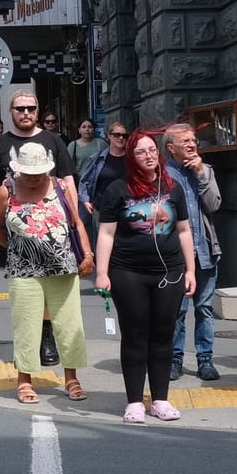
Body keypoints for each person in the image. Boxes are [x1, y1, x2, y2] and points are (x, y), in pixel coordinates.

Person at [94, 132, 196, 424]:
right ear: (131, 158)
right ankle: (135, 402)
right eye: (141, 152)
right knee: (135, 336)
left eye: (152, 150)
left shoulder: (173, 188)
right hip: (128, 272)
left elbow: (184, 230)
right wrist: (102, 273)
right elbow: (106, 233)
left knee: (163, 335)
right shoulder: (118, 190)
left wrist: (190, 270)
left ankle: (160, 400)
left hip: (169, 271)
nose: (149, 156)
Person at [0, 141, 91, 405]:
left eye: (39, 174)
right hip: (23, 270)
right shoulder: (6, 190)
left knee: (69, 324)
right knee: (27, 325)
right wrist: (21, 245)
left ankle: (71, 378)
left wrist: (88, 255)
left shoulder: (61, 187)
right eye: (29, 174)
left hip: (63, 268)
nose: (34, 179)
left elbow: (76, 224)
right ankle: (24, 380)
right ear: (19, 170)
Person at [0, 93, 76, 365]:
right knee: (24, 288)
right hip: (15, 231)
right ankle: (28, 343)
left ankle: (47, 338)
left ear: (37, 111)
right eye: (20, 108)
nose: (26, 112)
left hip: (53, 230)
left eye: (31, 108)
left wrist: (72, 218)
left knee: (52, 285)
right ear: (11, 111)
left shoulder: (53, 141)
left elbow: (68, 180)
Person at [163, 123, 222, 382]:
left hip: (205, 251)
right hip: (174, 256)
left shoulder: (206, 170)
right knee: (177, 309)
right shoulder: (162, 175)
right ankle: (175, 359)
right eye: (185, 140)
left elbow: (214, 204)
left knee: (205, 308)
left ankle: (205, 359)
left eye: (193, 140)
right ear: (170, 147)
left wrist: (200, 173)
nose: (191, 144)